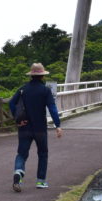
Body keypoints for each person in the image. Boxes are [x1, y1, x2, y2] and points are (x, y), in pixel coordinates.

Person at [9, 62, 63, 191]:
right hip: (40, 128)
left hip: (24, 127)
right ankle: (40, 181)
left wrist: (17, 120)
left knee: (21, 154)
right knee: (43, 153)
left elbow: (11, 103)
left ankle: (18, 172)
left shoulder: (23, 89)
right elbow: (52, 108)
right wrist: (58, 125)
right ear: (42, 76)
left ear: (31, 75)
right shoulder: (45, 90)